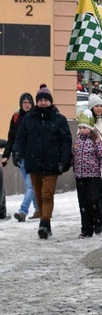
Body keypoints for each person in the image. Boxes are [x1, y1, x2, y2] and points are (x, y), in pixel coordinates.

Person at [11, 84, 72, 239]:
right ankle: (46, 223)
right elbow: (20, 137)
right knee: (38, 195)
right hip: (34, 164)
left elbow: (66, 142)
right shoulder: (29, 119)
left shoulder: (59, 120)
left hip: (53, 164)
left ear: (51, 102)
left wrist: (64, 161)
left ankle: (44, 222)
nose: (43, 102)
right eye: (41, 100)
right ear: (37, 102)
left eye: (46, 100)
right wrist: (16, 152)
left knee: (47, 194)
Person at [4, 92, 39, 222]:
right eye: (24, 102)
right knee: (31, 185)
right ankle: (38, 210)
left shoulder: (35, 117)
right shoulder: (16, 117)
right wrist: (7, 155)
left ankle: (23, 211)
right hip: (20, 158)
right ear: (21, 103)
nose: (27, 104)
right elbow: (11, 137)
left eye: (29, 102)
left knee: (30, 186)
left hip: (32, 157)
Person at [72, 110, 102, 238]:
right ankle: (86, 229)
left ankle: (98, 220)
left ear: (90, 128)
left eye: (84, 128)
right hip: (79, 176)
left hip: (93, 175)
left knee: (93, 199)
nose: (81, 130)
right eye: (80, 127)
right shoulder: (77, 141)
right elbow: (73, 155)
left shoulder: (96, 140)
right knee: (83, 203)